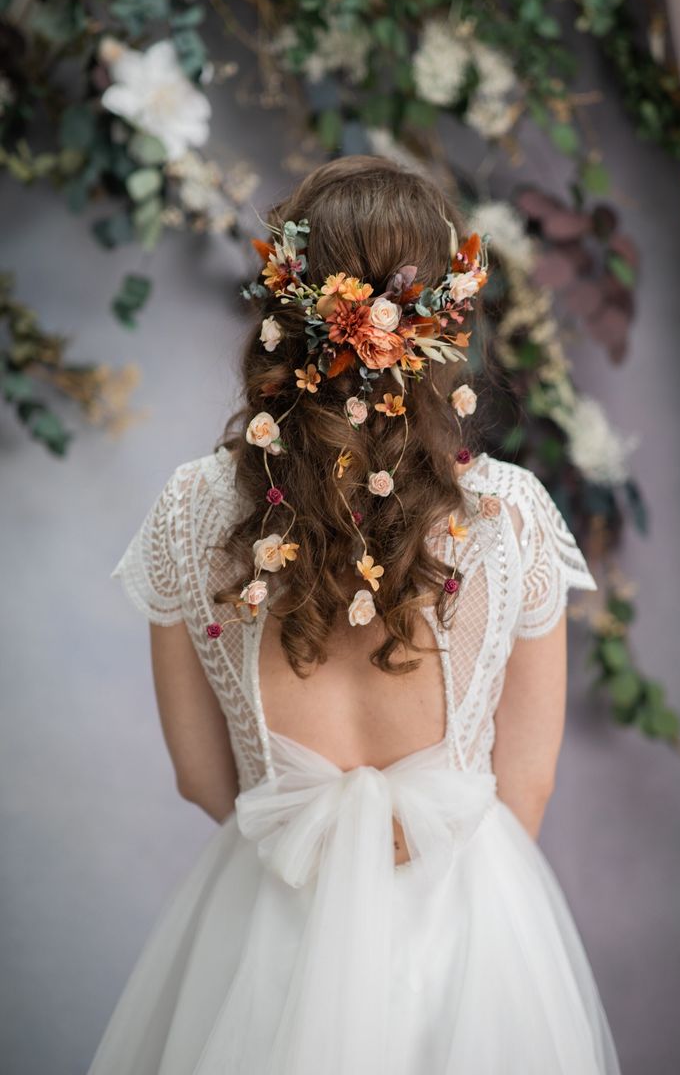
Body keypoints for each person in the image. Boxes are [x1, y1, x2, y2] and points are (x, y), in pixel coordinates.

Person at [89, 155, 622, 1073]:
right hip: (465, 937)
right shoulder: (511, 516)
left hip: (269, 926)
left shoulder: (191, 510)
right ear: (446, 320)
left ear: (282, 305)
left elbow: (196, 775)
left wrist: (317, 863)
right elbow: (524, 783)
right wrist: (424, 907)